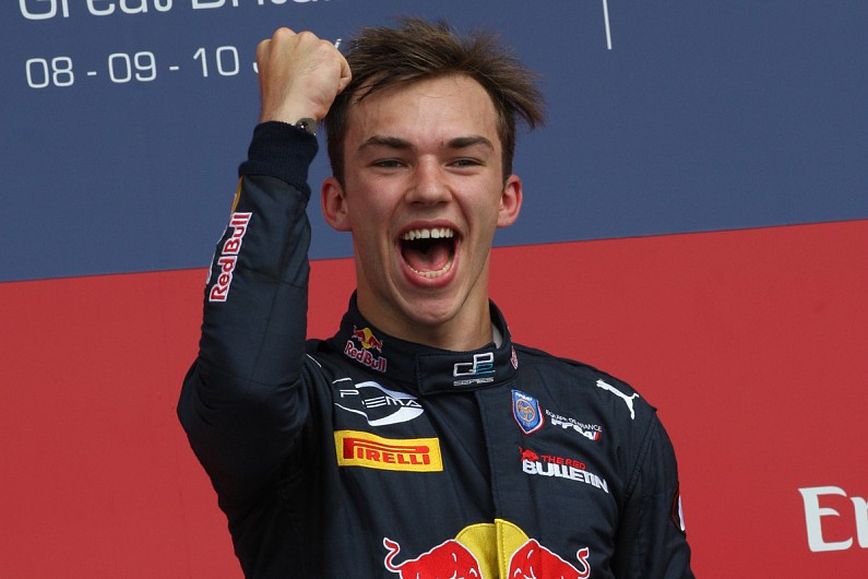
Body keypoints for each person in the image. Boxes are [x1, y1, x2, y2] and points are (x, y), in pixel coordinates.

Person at [178, 18, 694, 578]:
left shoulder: (611, 422)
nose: (428, 188)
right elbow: (244, 384)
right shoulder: (303, 409)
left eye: (462, 160)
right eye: (390, 161)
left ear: (506, 199)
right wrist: (283, 132)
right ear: (337, 203)